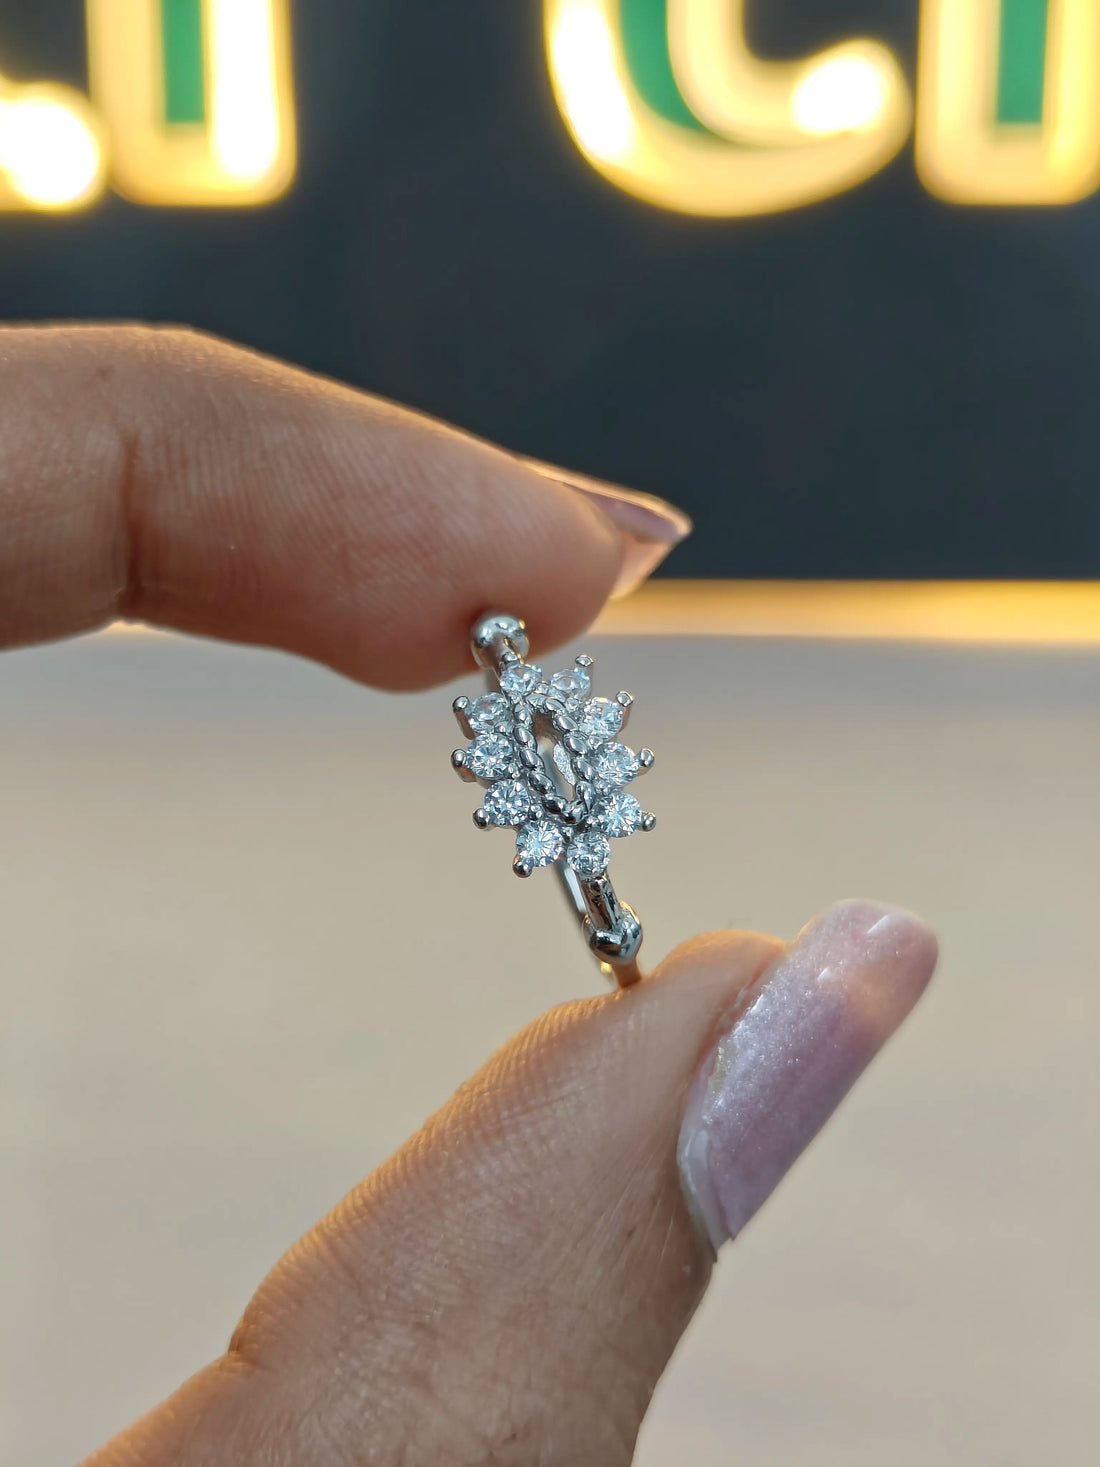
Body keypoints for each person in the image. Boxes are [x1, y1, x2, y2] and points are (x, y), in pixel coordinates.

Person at [4, 326, 937, 1466]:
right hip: (573, 833)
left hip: (579, 827)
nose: (502, 644)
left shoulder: (536, 719)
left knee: (602, 892)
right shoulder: (517, 720)